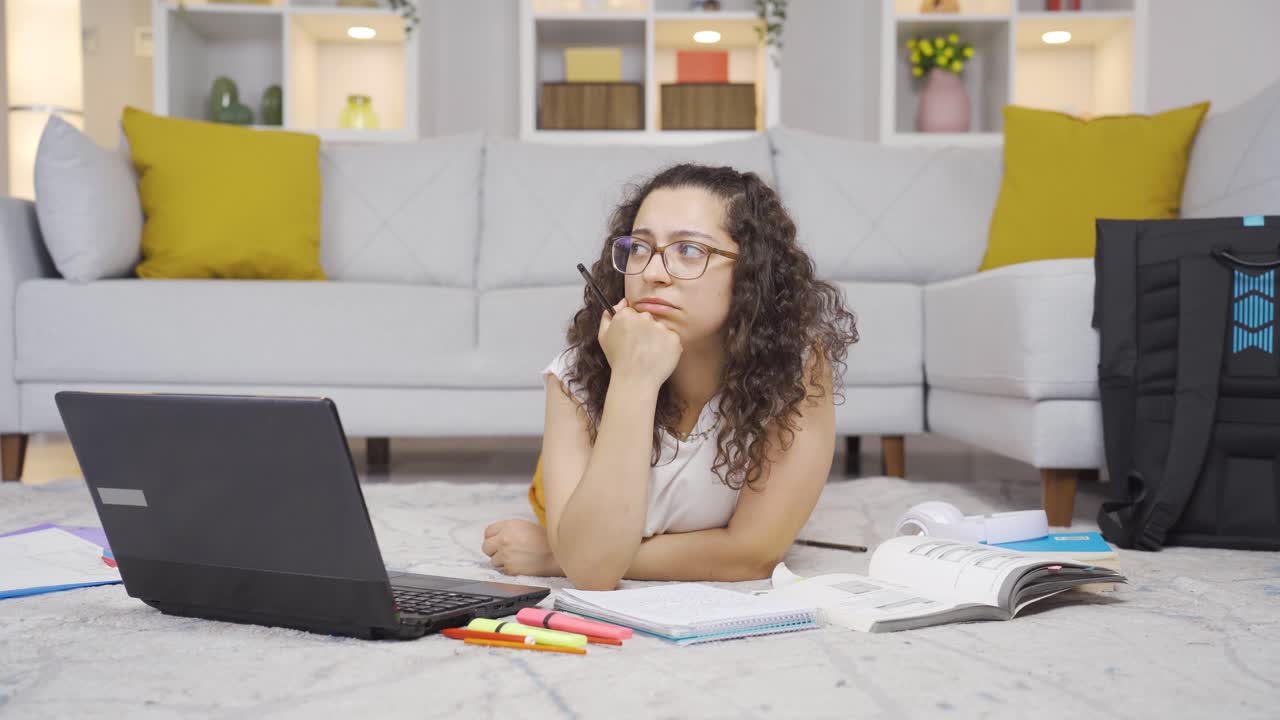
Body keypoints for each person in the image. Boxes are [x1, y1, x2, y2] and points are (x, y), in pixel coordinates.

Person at [481, 163, 858, 590]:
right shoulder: (573, 376)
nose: (652, 273)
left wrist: (556, 556)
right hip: (569, 493)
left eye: (690, 251)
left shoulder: (796, 366)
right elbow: (592, 571)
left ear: (751, 272)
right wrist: (633, 378)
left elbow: (753, 555)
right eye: (639, 248)